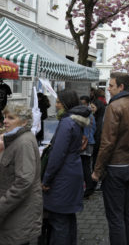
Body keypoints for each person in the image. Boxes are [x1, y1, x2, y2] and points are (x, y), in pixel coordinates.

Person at [92, 72, 129, 245]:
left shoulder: (114, 107)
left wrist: (97, 171)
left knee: (116, 216)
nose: (108, 89)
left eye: (111, 85)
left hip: (116, 167)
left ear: (121, 87)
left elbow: (107, 142)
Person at [42, 90, 90, 245]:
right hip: (72, 172)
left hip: (63, 176)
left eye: (58, 102)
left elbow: (57, 155)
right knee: (68, 218)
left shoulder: (67, 122)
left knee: (59, 220)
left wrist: (47, 180)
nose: (55, 105)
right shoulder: (74, 120)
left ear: (65, 104)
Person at [0, 103, 43, 245]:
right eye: (5, 117)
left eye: (11, 118)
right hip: (15, 213)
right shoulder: (16, 139)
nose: (5, 121)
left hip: (19, 215)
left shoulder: (23, 142)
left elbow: (24, 181)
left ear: (24, 122)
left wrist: (2, 204)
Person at [80, 95, 96, 198]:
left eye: (83, 103)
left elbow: (87, 132)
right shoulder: (90, 114)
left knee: (85, 166)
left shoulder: (87, 115)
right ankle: (88, 187)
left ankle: (89, 188)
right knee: (86, 165)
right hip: (90, 142)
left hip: (87, 143)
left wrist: (83, 142)